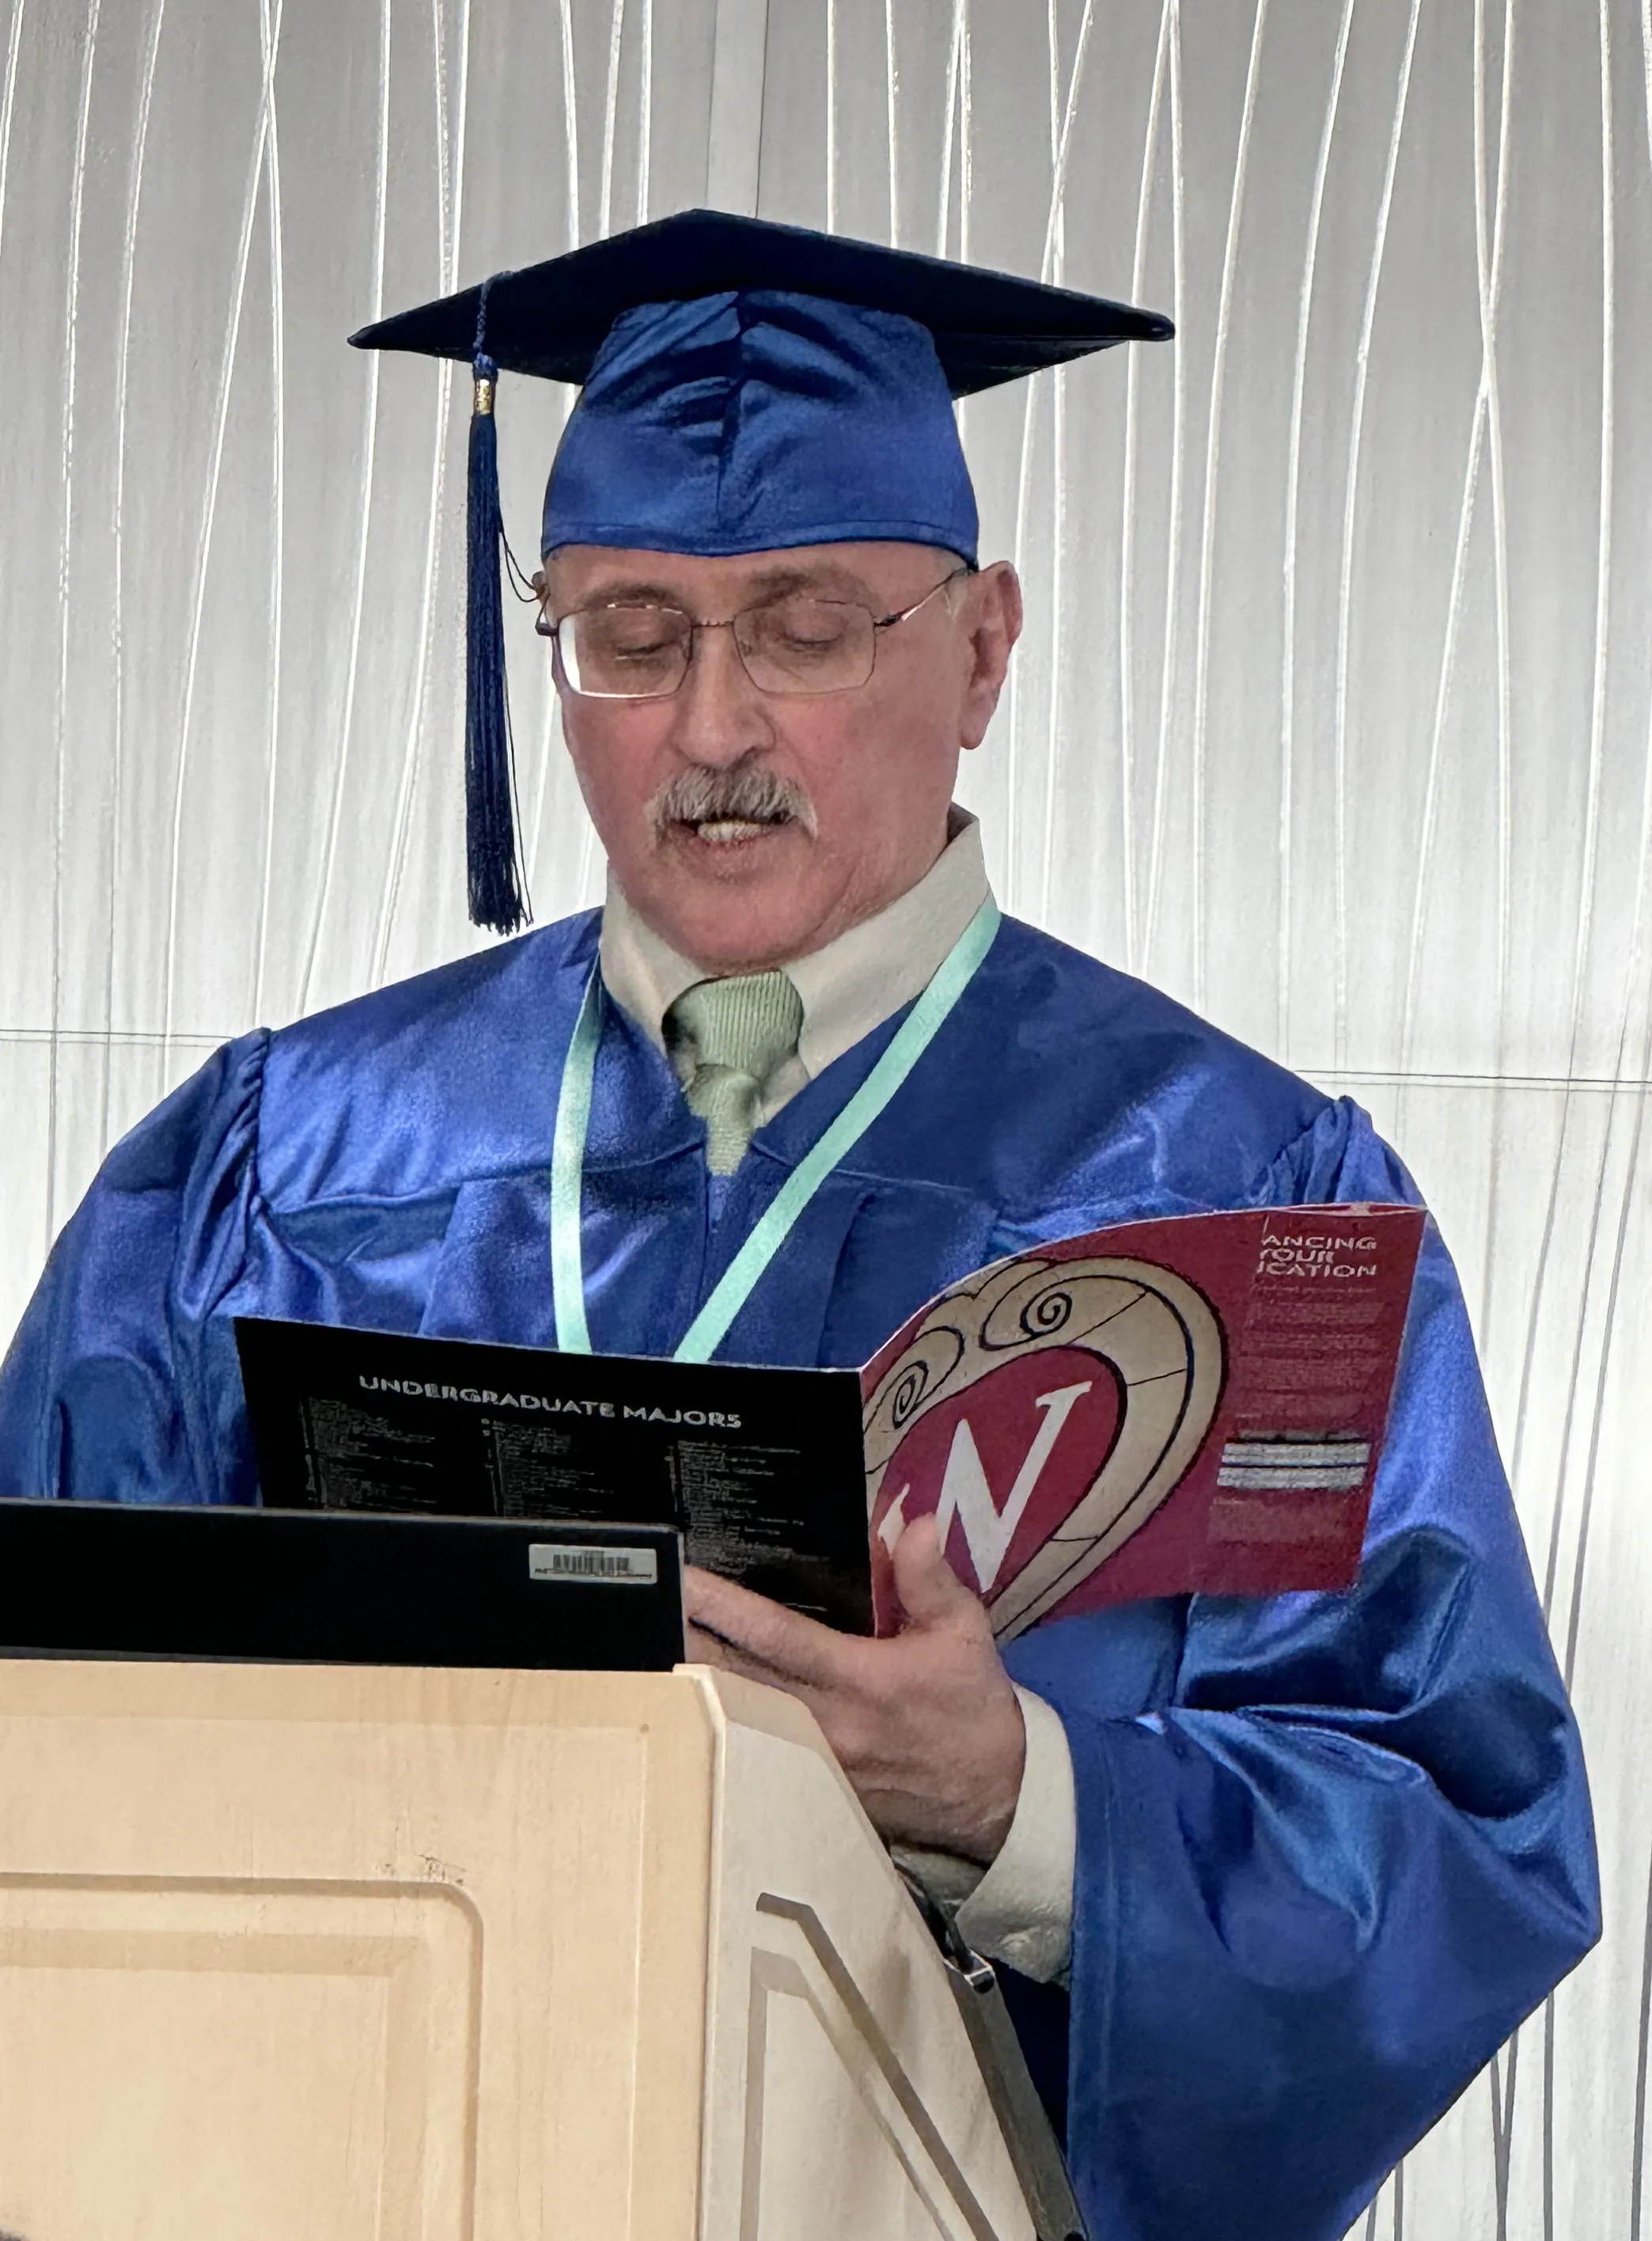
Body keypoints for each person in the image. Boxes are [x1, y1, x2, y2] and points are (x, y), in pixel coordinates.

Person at [0, 210, 1597, 2240]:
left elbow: (1453, 1840)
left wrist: (1021, 1803)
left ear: (985, 648)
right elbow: (36, 1729)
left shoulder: (1246, 1199)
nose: (715, 727)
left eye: (811, 624)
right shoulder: (267, 1168)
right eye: (633, 634)